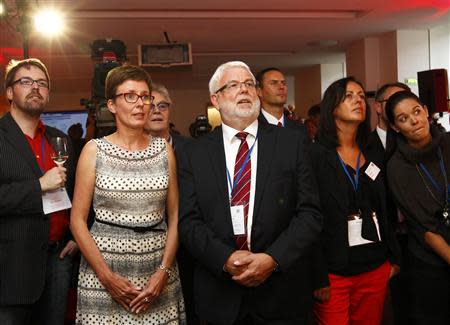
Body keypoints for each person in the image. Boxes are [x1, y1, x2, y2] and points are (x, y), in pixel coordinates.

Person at [178, 61, 322, 324]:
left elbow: (310, 213)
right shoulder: (193, 153)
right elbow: (188, 221)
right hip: (220, 296)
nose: (244, 90)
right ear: (216, 99)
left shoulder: (291, 143)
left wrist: (272, 259)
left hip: (282, 295)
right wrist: (225, 258)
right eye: (233, 85)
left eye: (248, 84)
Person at [70, 65, 185, 324]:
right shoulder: (94, 150)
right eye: (130, 96)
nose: (141, 104)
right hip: (104, 268)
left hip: (157, 268)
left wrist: (163, 272)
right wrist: (107, 278)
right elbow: (77, 221)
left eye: (145, 96)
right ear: (111, 105)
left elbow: (175, 216)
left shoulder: (164, 150)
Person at [310, 77, 400, 325]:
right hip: (333, 272)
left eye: (361, 96)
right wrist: (317, 276)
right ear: (332, 107)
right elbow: (309, 218)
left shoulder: (373, 152)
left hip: (375, 266)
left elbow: (386, 207)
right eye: (349, 96)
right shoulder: (315, 156)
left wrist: (393, 258)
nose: (358, 101)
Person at [0, 58, 77, 325]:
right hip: (12, 266)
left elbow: (75, 192)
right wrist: (39, 186)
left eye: (42, 83)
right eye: (26, 82)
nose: (35, 87)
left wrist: (74, 235)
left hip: (58, 259)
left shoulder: (59, 138)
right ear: (9, 92)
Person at [386, 90, 450, 325]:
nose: (414, 121)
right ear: (395, 127)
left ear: (425, 111)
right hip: (431, 263)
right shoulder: (397, 168)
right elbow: (427, 230)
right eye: (403, 119)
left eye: (416, 112)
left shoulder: (447, 143)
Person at [144, 83, 197, 324]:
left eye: (162, 106)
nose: (156, 111)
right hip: (145, 247)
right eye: (150, 105)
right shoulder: (125, 151)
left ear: (170, 111)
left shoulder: (193, 150)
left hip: (188, 249)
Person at [366, 82, 411, 325]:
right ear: (378, 108)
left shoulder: (416, 143)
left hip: (417, 237)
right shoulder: (363, 146)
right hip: (381, 239)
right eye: (391, 102)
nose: (398, 107)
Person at [255, 67, 308, 138]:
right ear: (259, 91)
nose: (281, 87)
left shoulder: (299, 129)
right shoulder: (252, 128)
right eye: (274, 83)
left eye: (283, 83)